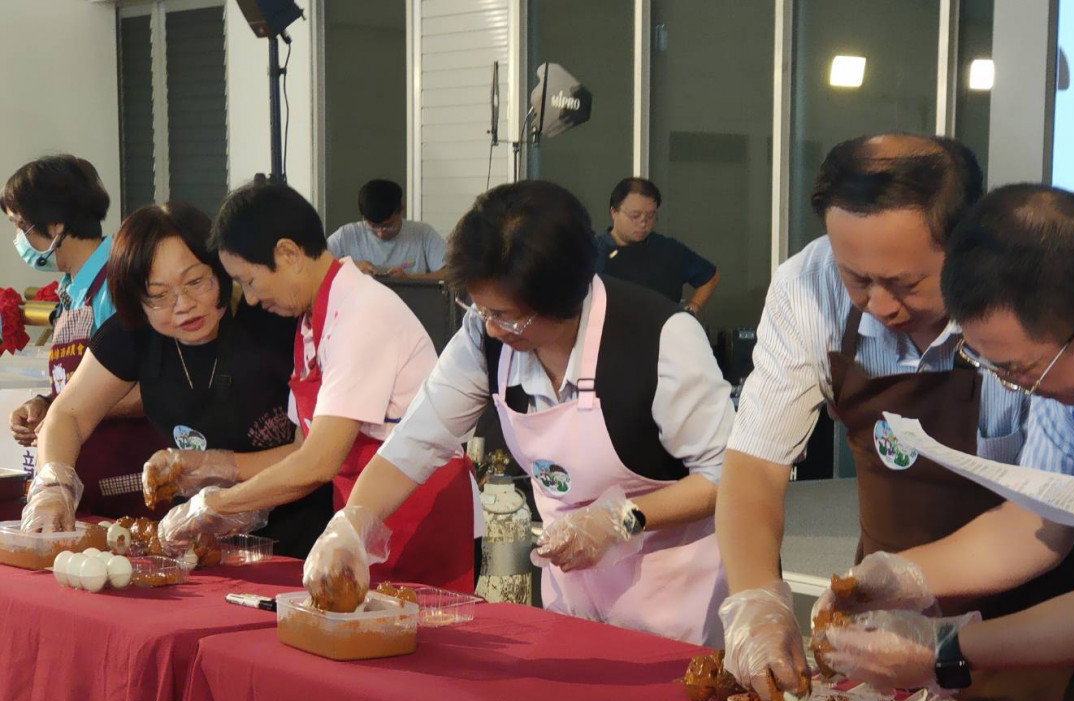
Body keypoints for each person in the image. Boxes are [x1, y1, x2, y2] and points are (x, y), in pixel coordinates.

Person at [716, 135, 1074, 701]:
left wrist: (912, 577)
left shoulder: (1038, 301)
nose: (880, 305)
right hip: (874, 631)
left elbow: (1043, 519)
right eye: (857, 278)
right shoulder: (808, 286)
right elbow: (754, 468)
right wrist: (757, 602)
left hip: (1032, 631)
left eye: (905, 284)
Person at [808, 182, 1074, 701]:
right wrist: (898, 575)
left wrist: (945, 653)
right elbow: (1033, 525)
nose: (1015, 385)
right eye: (989, 364)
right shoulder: (1070, 357)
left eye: (1020, 369)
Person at [302, 180, 734, 645]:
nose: (491, 326)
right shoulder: (486, 335)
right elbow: (415, 442)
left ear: (565, 297)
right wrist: (351, 525)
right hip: (572, 604)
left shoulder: (661, 338)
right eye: (480, 307)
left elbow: (725, 477)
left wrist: (621, 519)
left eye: (508, 315)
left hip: (674, 607)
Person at [156, 181, 474, 589]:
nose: (249, 300)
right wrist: (208, 466)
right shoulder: (311, 321)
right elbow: (301, 448)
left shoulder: (360, 313)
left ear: (288, 253)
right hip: (361, 518)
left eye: (249, 281)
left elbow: (318, 462)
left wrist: (213, 505)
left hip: (415, 516)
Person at [19, 202, 333, 556]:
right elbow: (67, 414)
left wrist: (219, 471)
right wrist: (53, 485)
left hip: (303, 541)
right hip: (195, 541)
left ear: (221, 268)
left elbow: (313, 454)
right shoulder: (133, 332)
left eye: (196, 282)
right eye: (159, 295)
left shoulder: (272, 320)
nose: (183, 305)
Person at [2, 155, 165, 518]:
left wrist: (70, 412)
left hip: (128, 481)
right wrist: (47, 404)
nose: (19, 240)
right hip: (82, 479)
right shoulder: (70, 291)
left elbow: (153, 385)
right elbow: (83, 381)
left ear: (56, 226)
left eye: (21, 227)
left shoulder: (118, 284)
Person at [595, 177, 720, 314]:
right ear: (614, 212)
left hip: (661, 331)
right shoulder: (590, 252)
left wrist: (693, 307)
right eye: (635, 216)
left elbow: (710, 277)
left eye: (650, 216)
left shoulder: (668, 250)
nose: (643, 223)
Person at [326, 179, 446, 280]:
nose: (380, 233)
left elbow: (450, 273)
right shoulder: (347, 235)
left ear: (401, 210)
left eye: (388, 226)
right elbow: (311, 264)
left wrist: (409, 279)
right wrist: (348, 267)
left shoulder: (422, 233)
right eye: (373, 226)